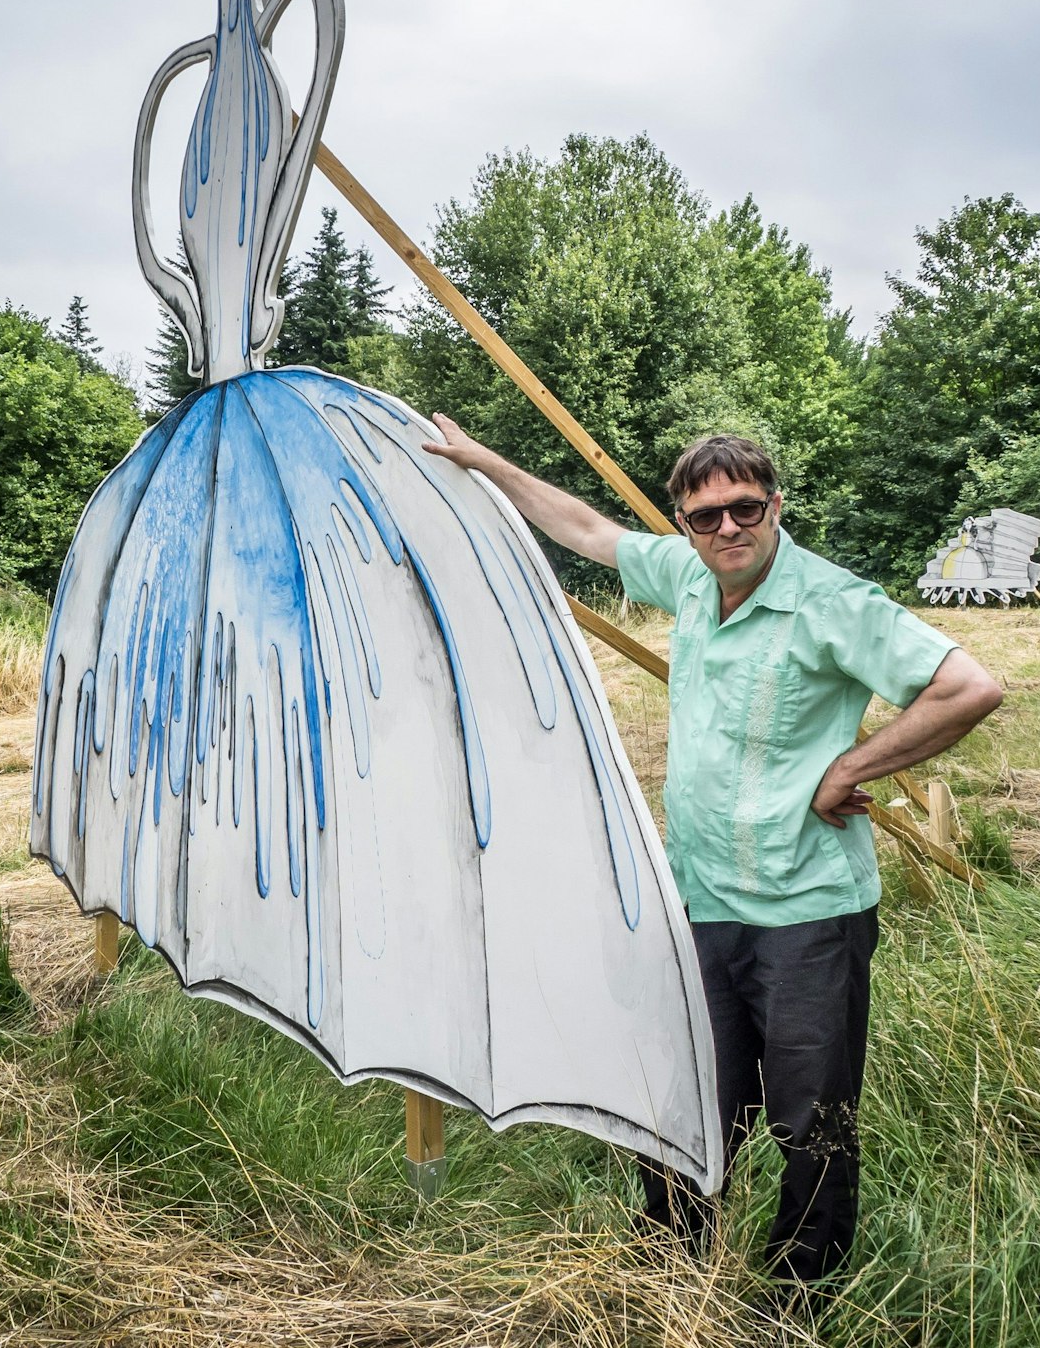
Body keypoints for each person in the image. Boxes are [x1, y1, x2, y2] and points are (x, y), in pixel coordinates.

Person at [422, 423, 1002, 1285]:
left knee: (811, 1118)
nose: (728, 528)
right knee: (684, 1101)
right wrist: (484, 461)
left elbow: (969, 687)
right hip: (699, 905)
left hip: (807, 911)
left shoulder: (832, 602)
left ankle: (799, 1293)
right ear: (687, 526)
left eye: (745, 508)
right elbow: (588, 530)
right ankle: (670, 1268)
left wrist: (851, 767)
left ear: (775, 506)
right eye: (706, 516)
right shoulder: (690, 577)